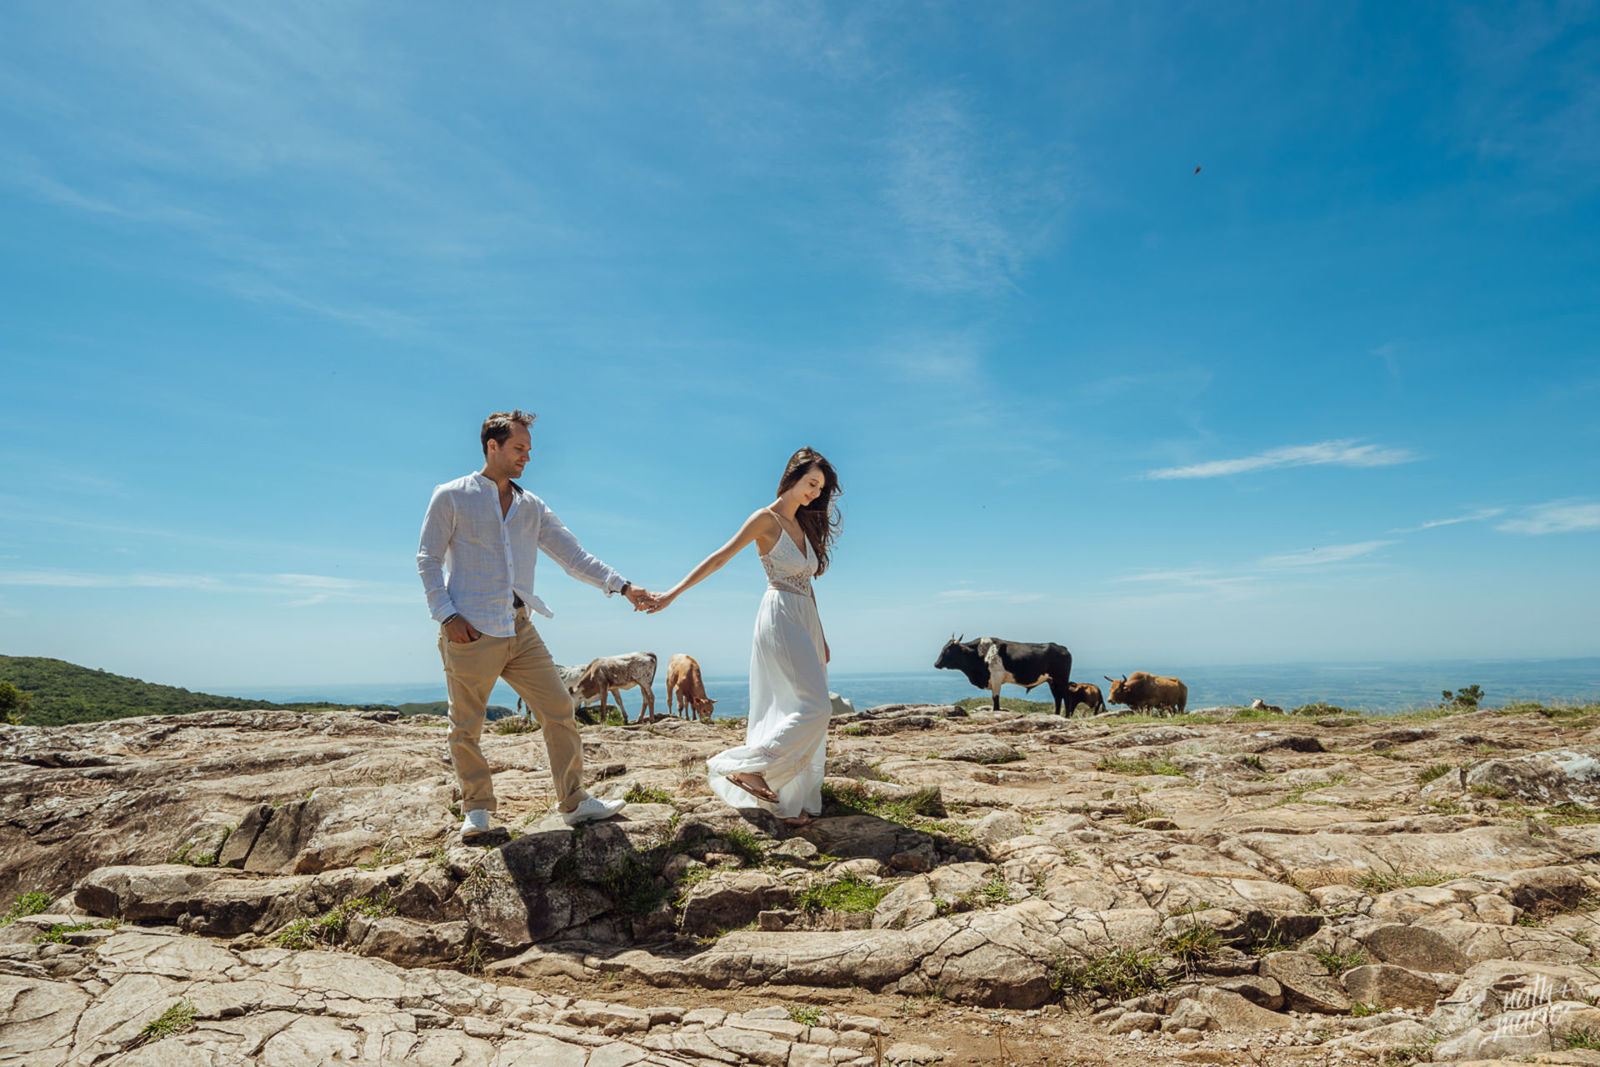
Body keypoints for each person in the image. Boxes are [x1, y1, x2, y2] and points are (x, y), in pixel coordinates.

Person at [417, 410, 658, 841]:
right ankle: (477, 810)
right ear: (492, 447)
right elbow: (428, 559)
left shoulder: (531, 506)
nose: (526, 457)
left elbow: (574, 557)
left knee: (560, 709)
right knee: (466, 726)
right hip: (469, 630)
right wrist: (447, 616)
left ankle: (574, 801)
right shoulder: (451, 496)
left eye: (528, 449)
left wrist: (623, 586)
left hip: (520, 627)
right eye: (518, 448)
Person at [649, 447, 840, 826]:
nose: (815, 494)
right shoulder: (764, 519)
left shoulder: (803, 525)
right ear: (791, 478)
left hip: (804, 619)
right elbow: (720, 557)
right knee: (818, 706)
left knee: (790, 705)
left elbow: (807, 583)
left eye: (820, 488)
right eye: (811, 484)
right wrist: (672, 593)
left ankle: (785, 800)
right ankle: (748, 768)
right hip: (780, 617)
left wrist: (822, 633)